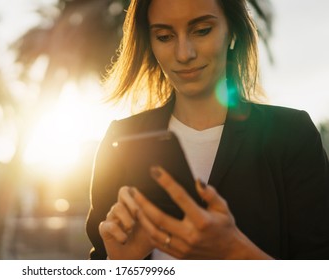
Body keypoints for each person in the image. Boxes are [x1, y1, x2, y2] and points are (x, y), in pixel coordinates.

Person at [86, 0, 329, 260]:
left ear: (233, 32)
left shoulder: (291, 135)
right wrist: (121, 265)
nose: (184, 53)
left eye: (201, 30)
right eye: (164, 36)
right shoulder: (121, 140)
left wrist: (234, 252)